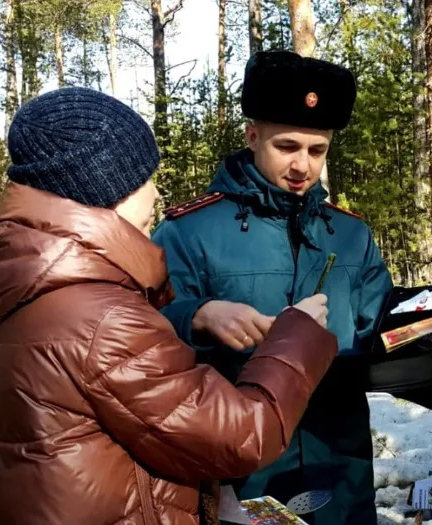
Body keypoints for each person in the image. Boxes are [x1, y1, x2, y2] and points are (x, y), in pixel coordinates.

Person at [0, 87, 338, 525]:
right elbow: (241, 434)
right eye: (143, 179)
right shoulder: (100, 316)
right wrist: (298, 335)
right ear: (104, 191)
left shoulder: (21, 291)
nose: (156, 194)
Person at [152, 51, 393, 524]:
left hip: (338, 464)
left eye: (317, 150)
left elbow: (381, 332)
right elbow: (139, 338)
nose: (303, 165)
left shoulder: (349, 235)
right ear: (252, 137)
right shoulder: (189, 231)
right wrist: (198, 315)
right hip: (240, 471)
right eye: (287, 146)